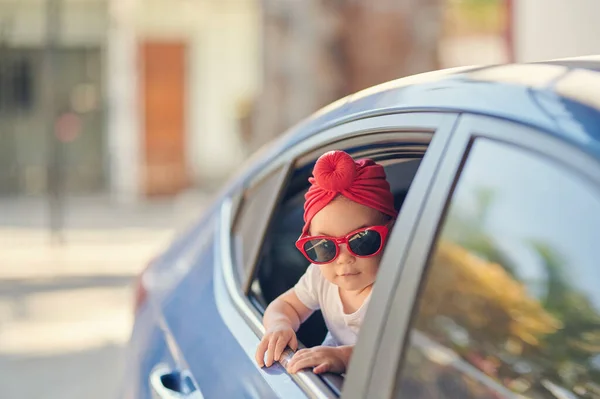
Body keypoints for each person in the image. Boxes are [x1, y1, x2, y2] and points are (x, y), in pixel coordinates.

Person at [255, 150, 397, 374]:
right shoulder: (320, 276)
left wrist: (344, 357)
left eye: (361, 241)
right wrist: (279, 324)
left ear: (390, 233)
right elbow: (287, 305)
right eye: (324, 246)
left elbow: (395, 354)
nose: (343, 258)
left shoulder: (397, 287)